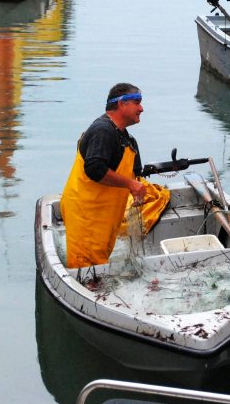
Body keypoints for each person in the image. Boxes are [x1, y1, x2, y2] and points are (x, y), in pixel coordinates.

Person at [60, 83, 170, 269]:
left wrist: (136, 187)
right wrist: (131, 184)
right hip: (86, 215)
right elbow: (94, 169)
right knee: (86, 272)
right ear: (121, 104)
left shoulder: (127, 139)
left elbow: (134, 174)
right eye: (137, 102)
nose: (142, 108)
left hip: (106, 218)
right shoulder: (103, 130)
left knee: (99, 268)